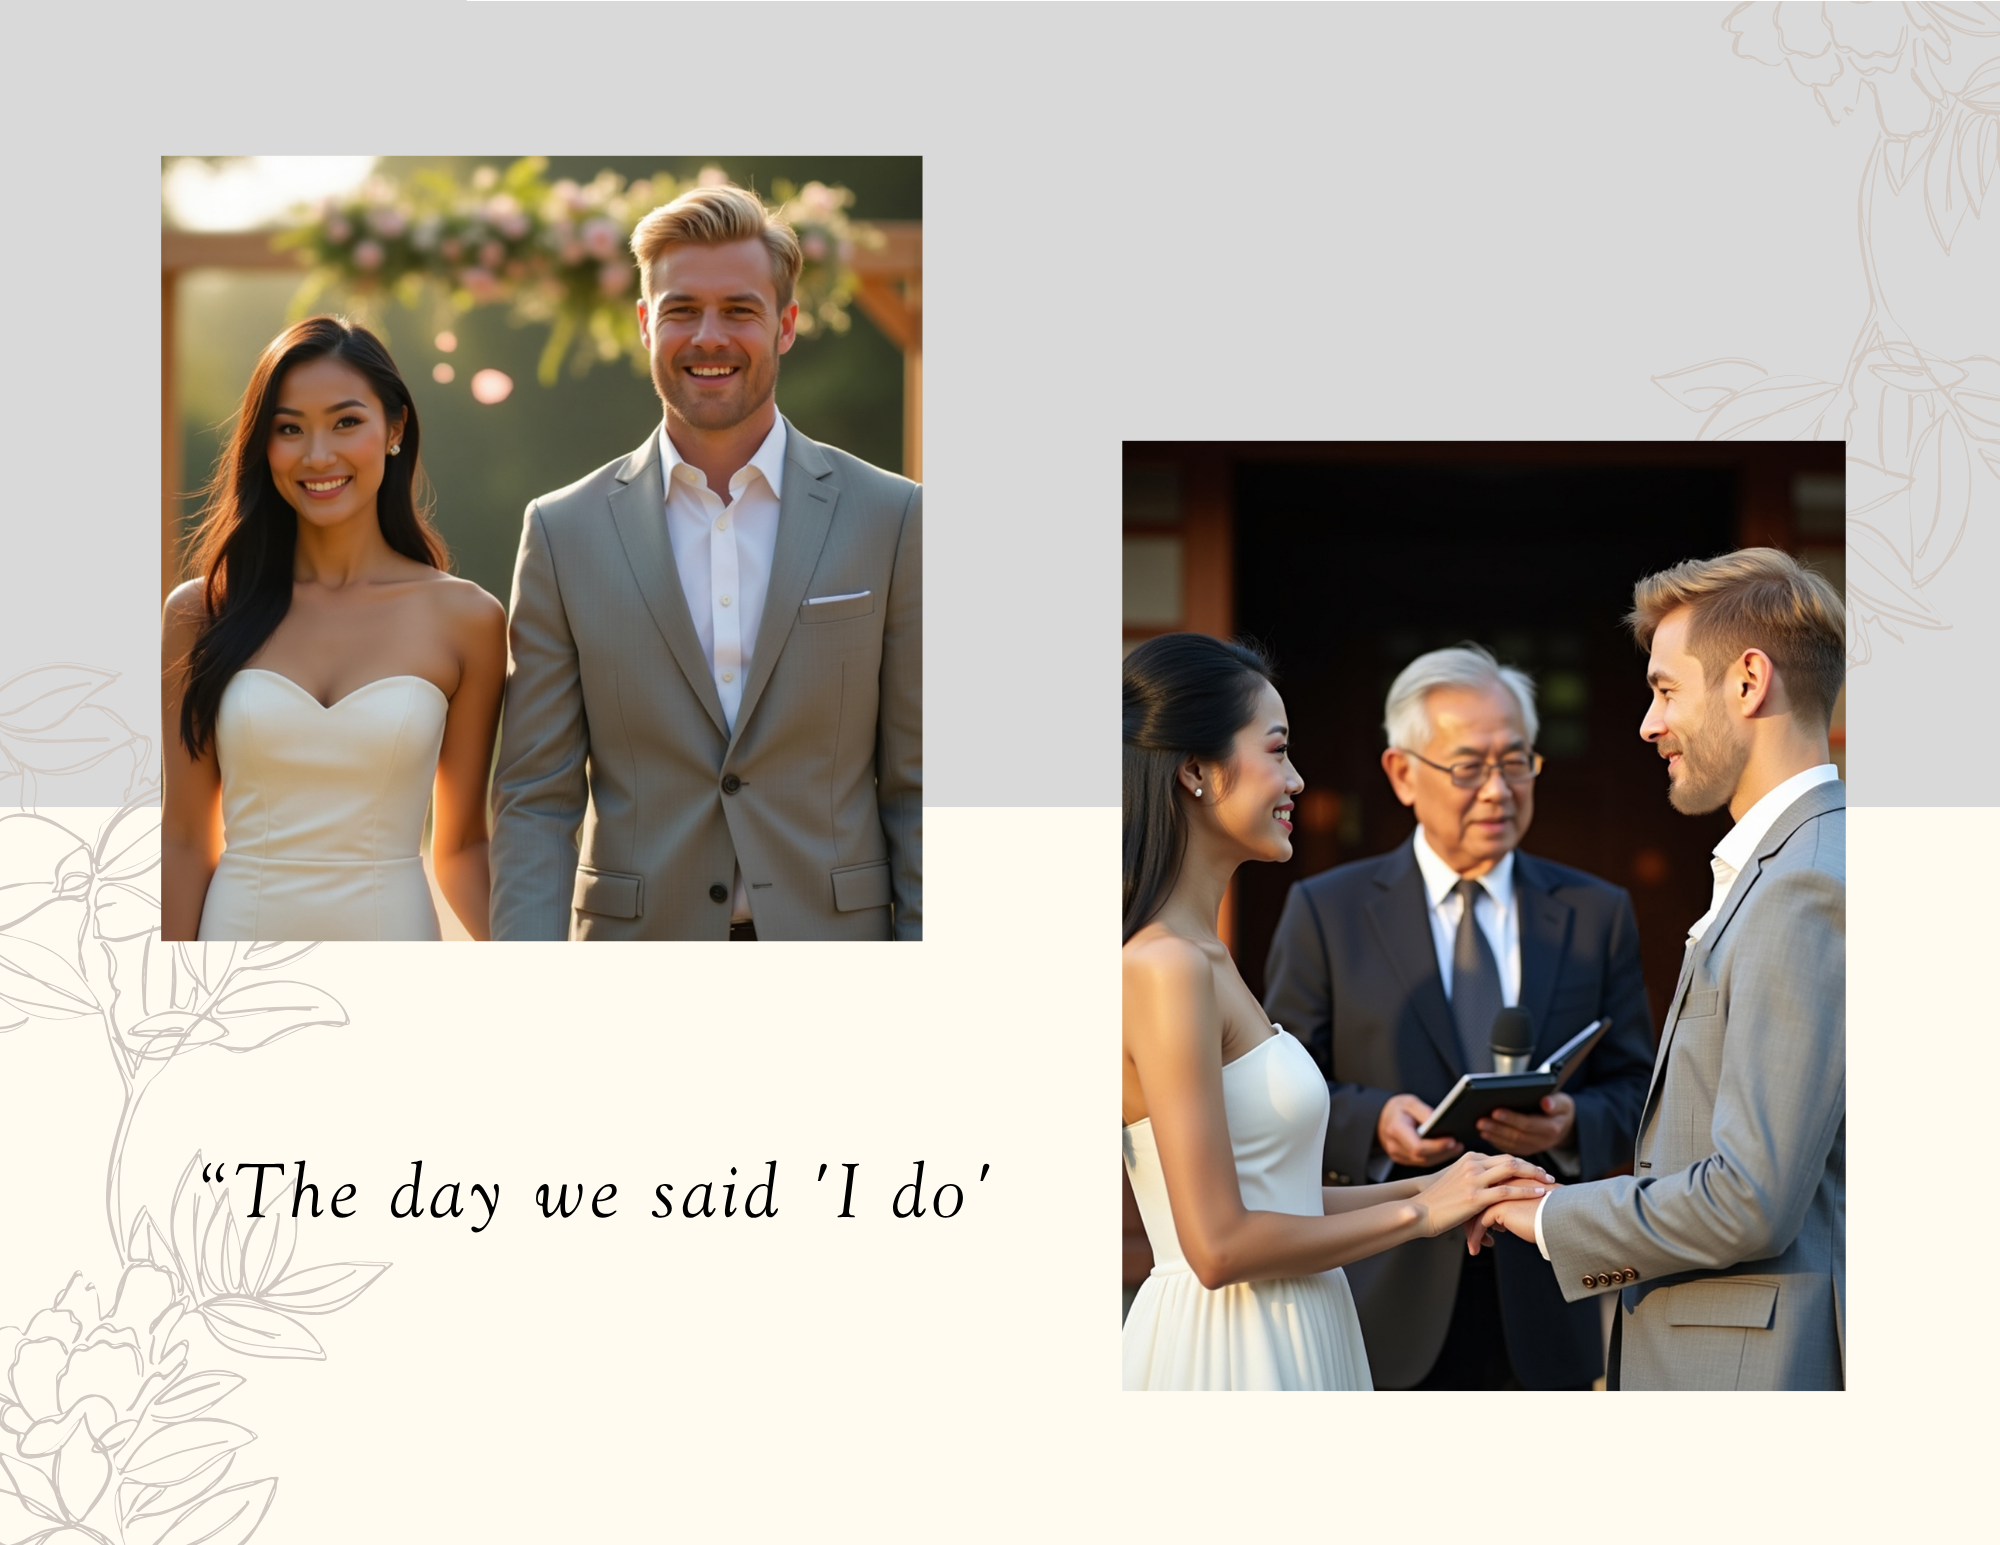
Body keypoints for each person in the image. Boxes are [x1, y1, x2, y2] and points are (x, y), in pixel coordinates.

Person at [1121, 632, 1554, 1391]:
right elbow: (1217, 1246)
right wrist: (1420, 1215)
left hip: (1297, 1320)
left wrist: (1440, 1186)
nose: (1296, 778)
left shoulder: (1206, 956)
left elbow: (1280, 1197)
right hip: (1235, 1346)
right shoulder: (1167, 966)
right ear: (1195, 771)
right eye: (1277, 749)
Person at [490, 185, 920, 942]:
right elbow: (535, 800)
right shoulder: (562, 532)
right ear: (644, 324)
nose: (709, 336)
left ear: (786, 325)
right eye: (682, 309)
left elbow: (921, 788)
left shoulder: (893, 517)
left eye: (740, 310)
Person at [1471, 549, 1845, 1390]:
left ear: (1748, 681)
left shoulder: (1803, 886)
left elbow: (1751, 1198)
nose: (1649, 723)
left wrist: (1551, 1213)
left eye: (1666, 690)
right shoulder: (1805, 863)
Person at [1261, 644, 1655, 1389]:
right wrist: (1376, 1123)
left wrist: (1571, 1124)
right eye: (1469, 766)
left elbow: (1641, 1087)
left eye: (1517, 762)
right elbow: (1279, 1092)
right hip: (1384, 1293)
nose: (1499, 790)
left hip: (1544, 1294)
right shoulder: (1328, 911)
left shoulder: (1594, 912)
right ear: (1402, 773)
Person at [161, 317, 506, 942]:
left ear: (394, 429)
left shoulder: (468, 619)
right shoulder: (200, 613)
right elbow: (185, 838)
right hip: (233, 962)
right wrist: (170, 988)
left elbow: (460, 849)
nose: (318, 455)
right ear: (263, 445)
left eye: (346, 422)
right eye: (289, 428)